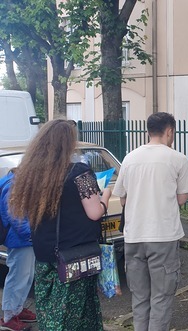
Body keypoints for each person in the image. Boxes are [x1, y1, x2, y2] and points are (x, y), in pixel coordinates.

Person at [9, 119, 111, 330]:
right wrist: (106, 196)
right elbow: (94, 213)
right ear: (68, 143)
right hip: (75, 256)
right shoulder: (80, 172)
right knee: (77, 315)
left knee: (50, 312)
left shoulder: (31, 174)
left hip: (45, 255)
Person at [113, 112, 188, 331]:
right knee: (161, 296)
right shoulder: (178, 159)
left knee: (139, 297)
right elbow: (181, 198)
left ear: (148, 130)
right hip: (163, 235)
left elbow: (121, 197)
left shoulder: (130, 158)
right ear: (169, 131)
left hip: (133, 236)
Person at [0, 170, 37, 331]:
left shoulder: (14, 184)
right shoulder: (14, 187)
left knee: (25, 276)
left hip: (23, 239)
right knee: (18, 277)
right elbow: (17, 218)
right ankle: (8, 317)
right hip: (20, 240)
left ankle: (17, 309)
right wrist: (32, 235)